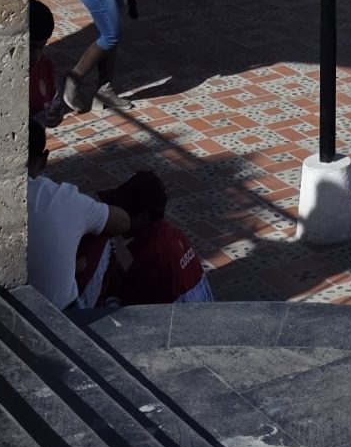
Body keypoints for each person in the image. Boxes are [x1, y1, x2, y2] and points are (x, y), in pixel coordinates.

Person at [26, 121, 130, 313]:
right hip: (56, 315)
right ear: (44, 159)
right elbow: (123, 221)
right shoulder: (60, 197)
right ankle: (113, 303)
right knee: (101, 238)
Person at [98, 170, 213, 307]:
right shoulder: (176, 236)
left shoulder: (152, 257)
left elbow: (125, 310)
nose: (117, 218)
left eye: (123, 213)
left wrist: (109, 287)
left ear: (144, 216)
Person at [29, 0, 62, 126]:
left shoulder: (45, 66)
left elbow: (53, 100)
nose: (35, 55)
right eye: (30, 46)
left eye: (41, 46)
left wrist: (53, 114)